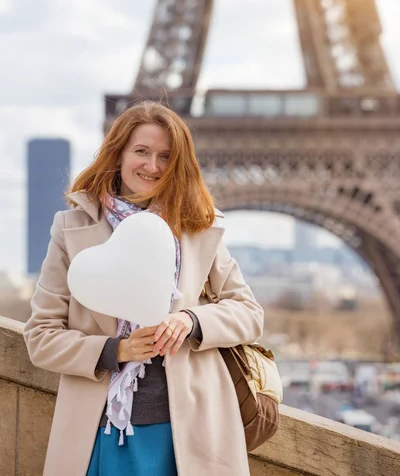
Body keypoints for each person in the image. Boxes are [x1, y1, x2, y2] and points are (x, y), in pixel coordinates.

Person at [24, 101, 264, 476]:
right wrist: (116, 349)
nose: (153, 166)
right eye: (141, 151)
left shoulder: (198, 226)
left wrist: (190, 320)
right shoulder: (70, 228)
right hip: (101, 427)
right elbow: (40, 337)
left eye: (165, 156)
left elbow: (249, 313)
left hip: (190, 430)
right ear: (117, 153)